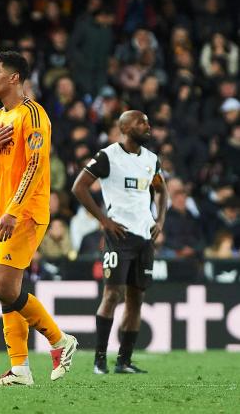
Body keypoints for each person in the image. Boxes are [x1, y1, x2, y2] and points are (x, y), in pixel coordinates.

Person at [0, 51, 77, 387]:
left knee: (3, 286)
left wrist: (13, 210)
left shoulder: (33, 115)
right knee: (7, 291)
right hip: (1, 212)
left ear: (14, 77)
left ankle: (60, 341)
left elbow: (35, 167)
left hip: (24, 211)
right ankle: (20, 368)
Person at [71, 110, 168, 374]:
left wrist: (159, 220)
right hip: (119, 236)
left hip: (144, 237)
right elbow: (79, 187)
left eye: (148, 122)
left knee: (137, 298)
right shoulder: (107, 156)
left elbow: (160, 189)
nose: (147, 126)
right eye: (141, 122)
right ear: (124, 127)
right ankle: (99, 359)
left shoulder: (151, 160)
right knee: (112, 294)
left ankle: (124, 361)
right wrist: (104, 221)